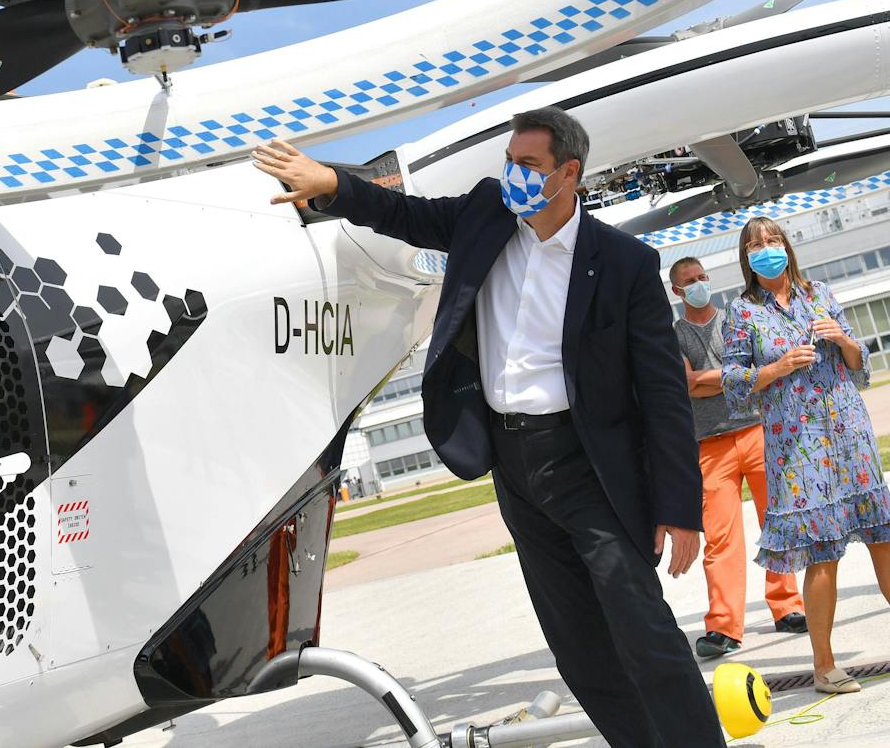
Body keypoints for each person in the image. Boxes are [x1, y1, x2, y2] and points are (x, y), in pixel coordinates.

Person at [250, 110, 723, 748]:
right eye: (510, 161)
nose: (513, 175)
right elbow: (407, 215)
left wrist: (679, 507)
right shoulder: (486, 214)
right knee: (578, 650)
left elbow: (664, 396)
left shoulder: (624, 263)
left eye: (528, 165)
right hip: (514, 462)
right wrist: (331, 182)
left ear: (570, 173)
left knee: (642, 631)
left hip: (593, 469)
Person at [718, 216, 890, 694]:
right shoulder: (741, 311)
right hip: (797, 441)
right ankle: (824, 667)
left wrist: (843, 341)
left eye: (774, 240)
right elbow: (733, 383)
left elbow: (860, 365)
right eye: (757, 244)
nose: (767, 249)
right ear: (746, 256)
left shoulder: (818, 291)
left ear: (787, 246)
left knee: (884, 537)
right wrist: (776, 368)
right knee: (823, 552)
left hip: (849, 431)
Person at [670, 256, 806, 657]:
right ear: (677, 292)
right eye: (689, 281)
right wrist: (740, 377)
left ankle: (788, 607)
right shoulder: (673, 336)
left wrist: (731, 377)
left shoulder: (736, 320)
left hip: (757, 431)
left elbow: (762, 367)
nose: (698, 284)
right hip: (710, 445)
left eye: (701, 277)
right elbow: (690, 384)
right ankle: (724, 627)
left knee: (778, 523)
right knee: (721, 539)